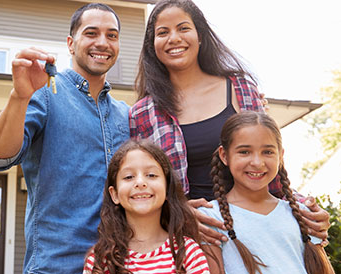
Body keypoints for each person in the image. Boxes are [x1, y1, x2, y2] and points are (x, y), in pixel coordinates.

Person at [129, 0, 330, 246]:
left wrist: (304, 209)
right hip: (191, 239)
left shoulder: (241, 88)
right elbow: (142, 185)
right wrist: (177, 213)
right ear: (152, 45)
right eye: (163, 32)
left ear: (200, 35)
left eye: (183, 28)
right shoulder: (142, 113)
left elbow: (268, 163)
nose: (174, 38)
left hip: (254, 228)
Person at [0, 3, 129, 273]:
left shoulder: (126, 114)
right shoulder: (45, 93)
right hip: (57, 266)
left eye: (112, 35)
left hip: (120, 265)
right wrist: (20, 96)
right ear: (71, 44)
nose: (102, 42)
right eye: (91, 33)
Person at [198, 111, 334, 274]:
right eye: (244, 152)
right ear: (224, 155)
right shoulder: (210, 218)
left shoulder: (301, 214)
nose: (257, 162)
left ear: (280, 156)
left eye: (268, 152)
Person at [83, 139, 210, 273]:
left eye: (151, 175)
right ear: (114, 194)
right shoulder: (101, 259)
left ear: (167, 189)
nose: (140, 182)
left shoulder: (188, 252)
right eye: (128, 177)